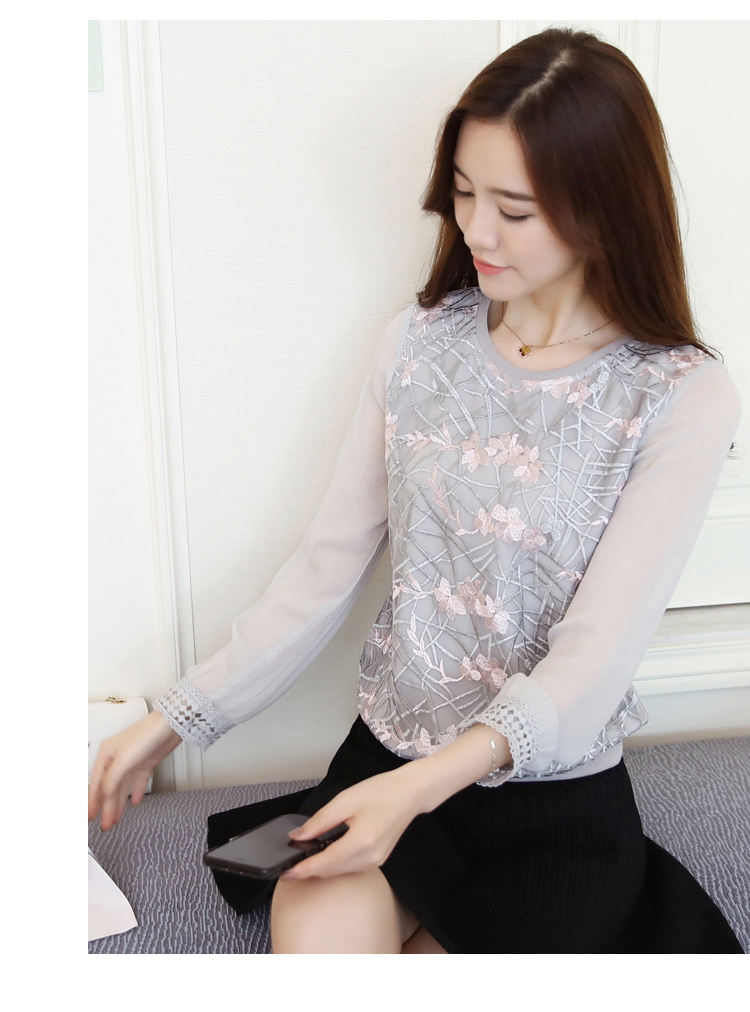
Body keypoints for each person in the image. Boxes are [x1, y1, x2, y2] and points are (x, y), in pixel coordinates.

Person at [88, 27, 744, 954]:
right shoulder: (421, 341)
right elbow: (326, 568)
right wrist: (176, 719)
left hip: (545, 805)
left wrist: (417, 790)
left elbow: (594, 661)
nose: (476, 230)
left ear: (604, 208)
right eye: (465, 193)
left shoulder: (677, 393)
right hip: (382, 764)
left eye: (514, 209)